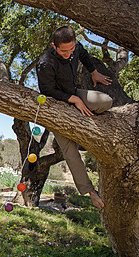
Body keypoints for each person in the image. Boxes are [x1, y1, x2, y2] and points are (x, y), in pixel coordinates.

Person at [36, 25, 113, 210]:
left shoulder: (75, 48)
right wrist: (74, 100)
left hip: (75, 93)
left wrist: (94, 72)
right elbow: (47, 91)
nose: (69, 53)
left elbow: (84, 54)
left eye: (71, 49)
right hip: (56, 106)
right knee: (70, 152)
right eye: (64, 50)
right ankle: (90, 192)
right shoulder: (45, 63)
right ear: (54, 46)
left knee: (106, 101)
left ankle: (84, 127)